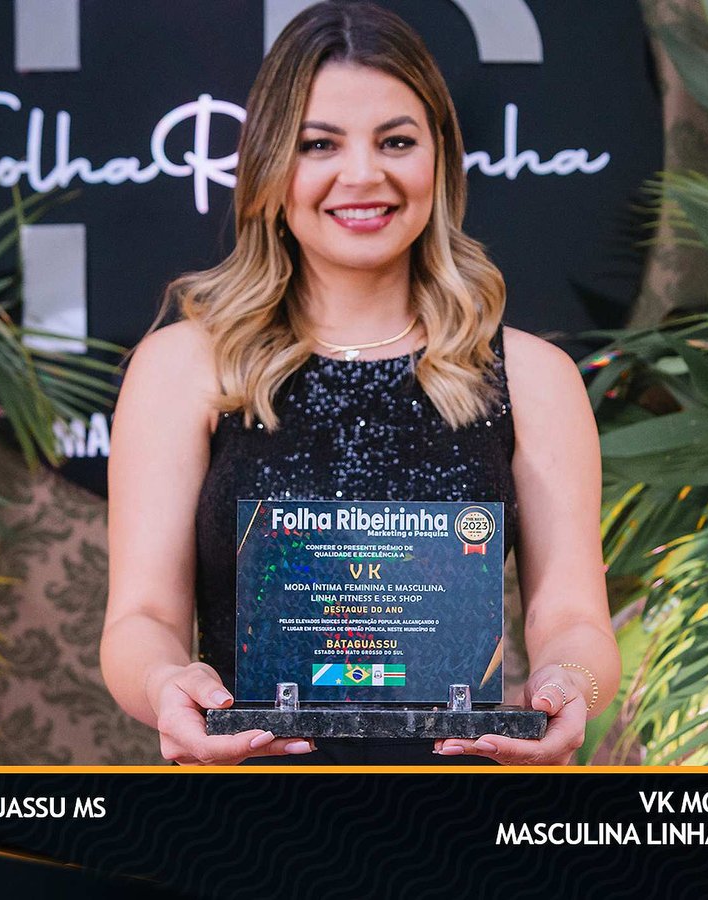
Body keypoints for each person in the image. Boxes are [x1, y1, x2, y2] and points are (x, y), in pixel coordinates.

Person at [99, 0, 617, 766]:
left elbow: (573, 618)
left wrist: (572, 684)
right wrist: (164, 681)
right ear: (270, 167)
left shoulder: (536, 377)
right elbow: (140, 619)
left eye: (396, 141)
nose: (364, 174)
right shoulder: (185, 367)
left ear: (439, 161)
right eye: (320, 144)